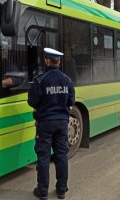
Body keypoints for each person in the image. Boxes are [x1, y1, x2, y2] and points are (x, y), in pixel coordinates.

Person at [28, 47, 75, 200]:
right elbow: (71, 101)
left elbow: (32, 101)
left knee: (43, 157)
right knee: (61, 156)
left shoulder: (40, 80)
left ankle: (42, 192)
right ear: (59, 62)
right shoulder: (67, 80)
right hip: (62, 123)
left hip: (45, 124)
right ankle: (61, 190)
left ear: (47, 61)